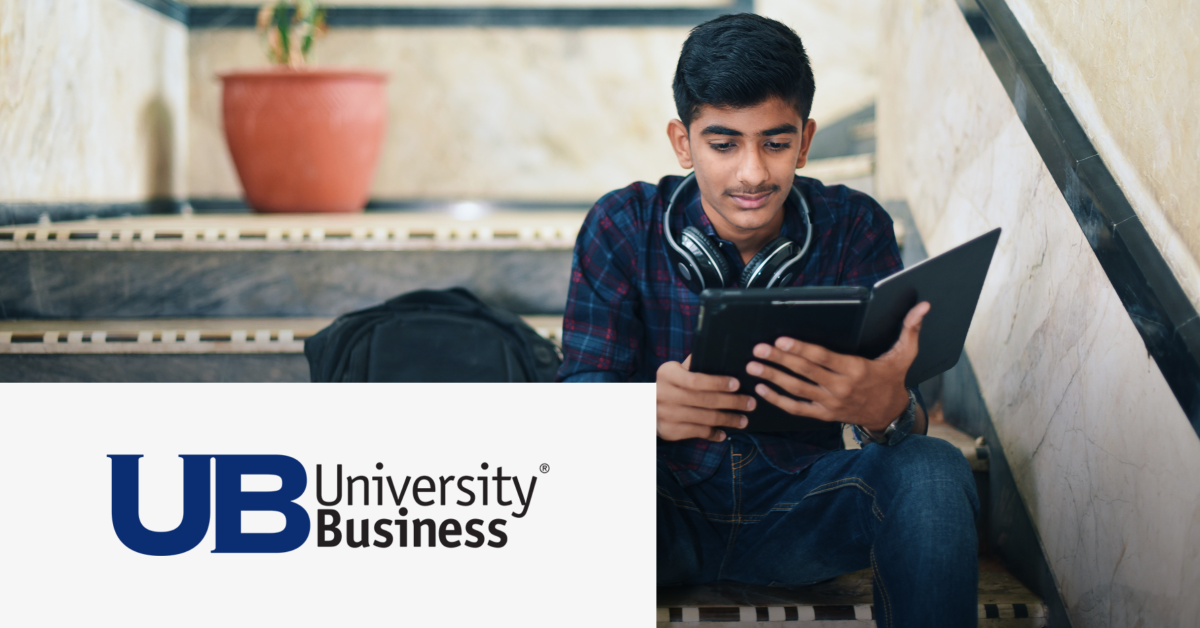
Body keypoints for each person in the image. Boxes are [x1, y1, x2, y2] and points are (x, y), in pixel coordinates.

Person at [556, 12, 980, 628]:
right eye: (723, 144)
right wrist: (639, 409)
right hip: (660, 511)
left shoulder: (854, 228)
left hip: (801, 507)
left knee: (935, 467)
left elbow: (904, 420)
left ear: (805, 141)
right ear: (683, 142)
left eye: (775, 143)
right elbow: (572, 409)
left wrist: (885, 410)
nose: (752, 172)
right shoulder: (622, 225)